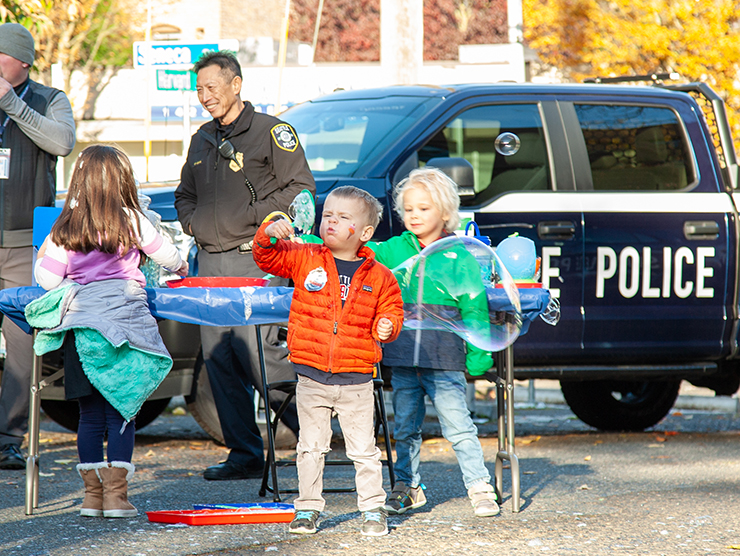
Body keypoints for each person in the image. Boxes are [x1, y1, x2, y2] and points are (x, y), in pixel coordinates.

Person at [174, 50, 315, 481]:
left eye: (211, 87)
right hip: (209, 264)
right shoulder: (201, 138)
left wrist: (251, 220)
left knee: (262, 356)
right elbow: (184, 195)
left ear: (236, 84)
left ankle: (316, 437)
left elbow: (300, 190)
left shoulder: (273, 132)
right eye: (199, 89)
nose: (205, 96)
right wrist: (195, 223)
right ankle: (245, 452)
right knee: (220, 359)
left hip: (257, 260)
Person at [31, 145, 188, 518]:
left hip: (85, 329)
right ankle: (118, 498)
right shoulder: (133, 219)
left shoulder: (66, 226)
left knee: (89, 416)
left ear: (79, 181)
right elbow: (168, 255)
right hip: (127, 328)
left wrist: (42, 258)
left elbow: (48, 279)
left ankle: (91, 499)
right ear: (124, 181)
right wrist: (181, 267)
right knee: (123, 409)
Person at [253, 186, 404, 536]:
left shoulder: (380, 276)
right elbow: (267, 258)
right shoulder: (304, 256)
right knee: (310, 448)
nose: (331, 221)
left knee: (364, 451)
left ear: (364, 233)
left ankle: (372, 508)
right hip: (311, 375)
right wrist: (269, 232)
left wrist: (388, 325)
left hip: (357, 379)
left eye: (343, 217)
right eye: (328, 215)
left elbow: (393, 311)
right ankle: (307, 508)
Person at [369, 167, 500, 518]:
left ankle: (479, 486)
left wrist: (479, 353)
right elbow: (356, 254)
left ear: (444, 212)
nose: (414, 215)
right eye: (408, 208)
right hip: (402, 358)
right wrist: (317, 241)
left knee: (458, 426)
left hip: (445, 359)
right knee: (405, 428)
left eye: (423, 209)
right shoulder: (393, 250)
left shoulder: (459, 255)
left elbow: (474, 306)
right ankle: (407, 487)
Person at [0, 22, 76, 470]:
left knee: (22, 344)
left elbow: (63, 143)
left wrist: (12, 105)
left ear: (22, 62)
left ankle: (8, 438)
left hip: (24, 244)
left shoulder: (51, 100)